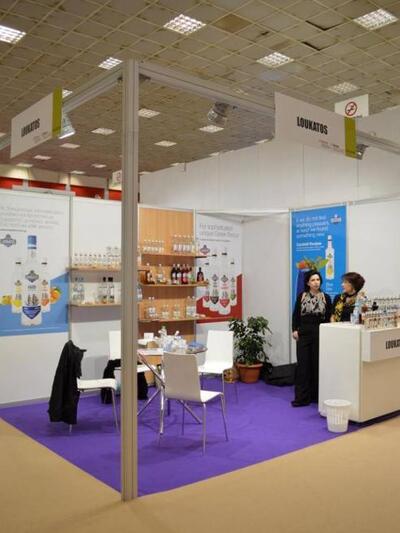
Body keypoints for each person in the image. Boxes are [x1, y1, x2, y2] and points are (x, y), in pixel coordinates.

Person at [292, 270, 332, 407]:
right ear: (308, 283)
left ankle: (316, 396)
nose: (316, 282)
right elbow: (296, 315)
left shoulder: (326, 297)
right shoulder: (302, 296)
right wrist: (294, 330)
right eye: (313, 280)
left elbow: (329, 317)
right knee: (303, 365)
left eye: (318, 280)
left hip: (319, 332)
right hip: (303, 333)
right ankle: (302, 398)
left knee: (317, 364)